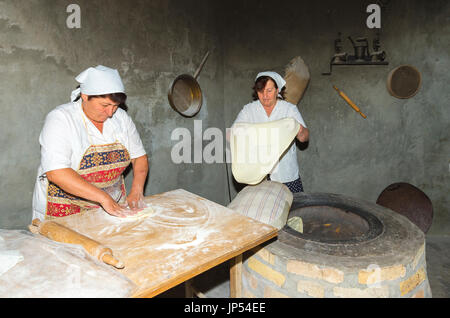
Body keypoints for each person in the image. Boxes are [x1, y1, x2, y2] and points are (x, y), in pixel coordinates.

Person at [32, 65, 148, 220]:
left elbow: (139, 157)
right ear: (85, 96)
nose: (111, 112)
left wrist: (137, 190)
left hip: (112, 203)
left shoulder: (121, 118)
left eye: (115, 106)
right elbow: (57, 172)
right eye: (105, 105)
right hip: (65, 206)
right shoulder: (61, 118)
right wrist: (103, 198)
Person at [232, 71, 309, 193]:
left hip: (286, 175)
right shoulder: (249, 110)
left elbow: (304, 138)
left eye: (269, 90)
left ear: (277, 90)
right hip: (257, 176)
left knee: (294, 210)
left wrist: (299, 130)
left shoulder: (288, 109)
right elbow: (232, 134)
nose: (265, 96)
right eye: (261, 91)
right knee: (261, 210)